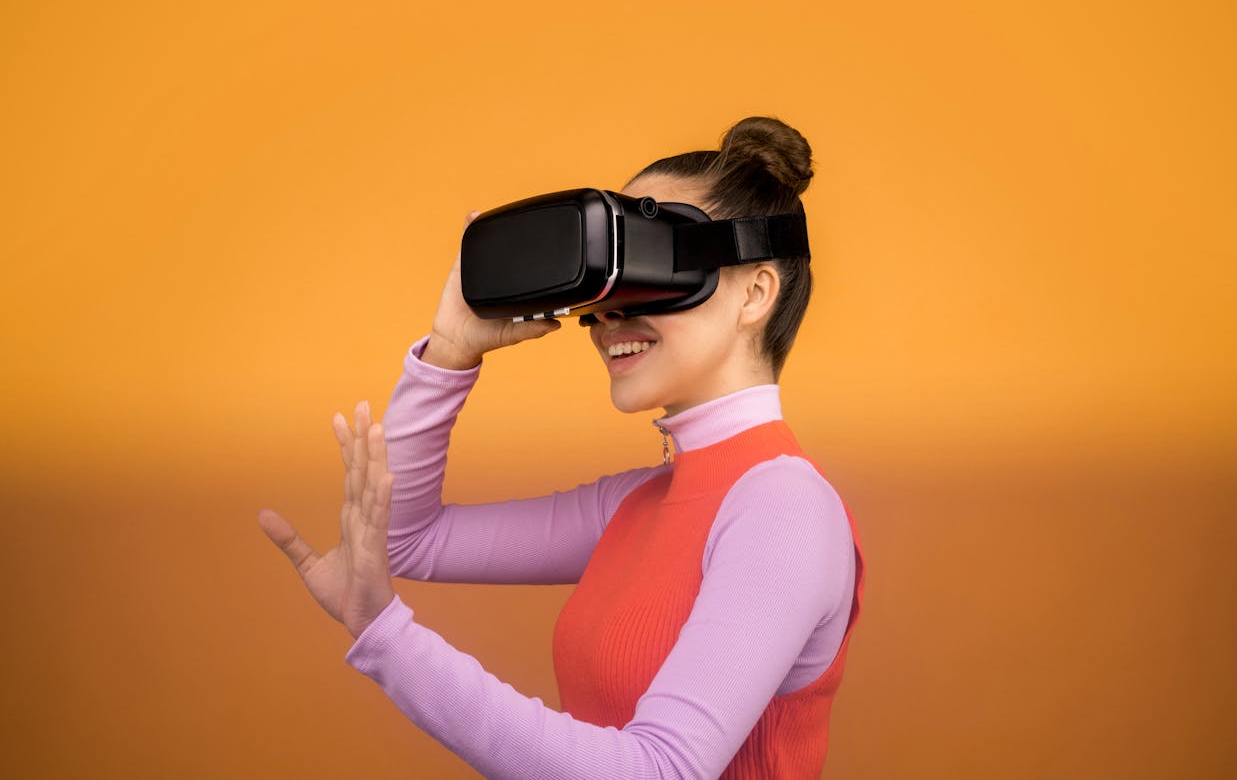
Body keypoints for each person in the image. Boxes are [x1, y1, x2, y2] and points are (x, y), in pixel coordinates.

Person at [259, 115, 865, 778]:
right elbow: (407, 540)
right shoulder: (641, 501)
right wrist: (451, 351)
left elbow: (657, 772)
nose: (607, 314)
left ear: (754, 293)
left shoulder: (783, 507)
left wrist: (389, 639)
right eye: (604, 278)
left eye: (651, 263)